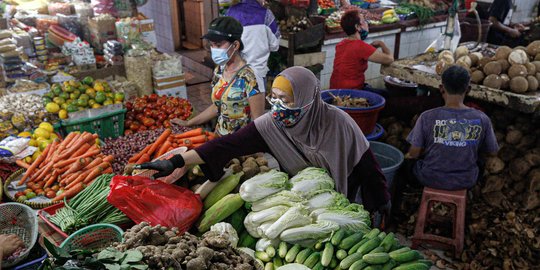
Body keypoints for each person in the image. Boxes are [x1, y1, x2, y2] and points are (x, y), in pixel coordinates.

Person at [140, 66, 390, 214]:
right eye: (275, 97)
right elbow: (227, 145)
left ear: (307, 98)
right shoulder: (272, 124)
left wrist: (379, 202)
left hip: (345, 193)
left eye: (287, 99)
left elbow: (367, 166)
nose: (279, 106)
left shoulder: (339, 123)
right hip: (306, 196)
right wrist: (176, 161)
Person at [391, 66, 499, 217]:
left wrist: (409, 158)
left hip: (429, 177)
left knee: (403, 168)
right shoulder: (482, 118)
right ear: (468, 89)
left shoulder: (427, 117)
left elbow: (414, 154)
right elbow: (492, 151)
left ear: (441, 88)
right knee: (480, 161)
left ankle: (395, 214)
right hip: (467, 180)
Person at [172, 16, 265, 136]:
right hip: (218, 139)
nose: (214, 49)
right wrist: (189, 123)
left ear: (235, 45)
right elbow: (218, 106)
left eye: (219, 45)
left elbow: (258, 122)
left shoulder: (251, 77)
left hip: (241, 146)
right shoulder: (219, 71)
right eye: (211, 45)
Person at [330, 10, 394, 91]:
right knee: (387, 95)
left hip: (334, 89)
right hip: (349, 93)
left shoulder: (341, 44)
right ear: (357, 27)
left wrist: (371, 48)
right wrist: (382, 44)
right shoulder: (360, 46)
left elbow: (355, 55)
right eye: (364, 21)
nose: (366, 23)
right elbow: (390, 59)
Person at [226, 0, 280, 92]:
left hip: (234, 73)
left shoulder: (230, 12)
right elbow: (275, 45)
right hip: (258, 75)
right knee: (256, 106)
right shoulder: (266, 14)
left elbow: (225, 42)